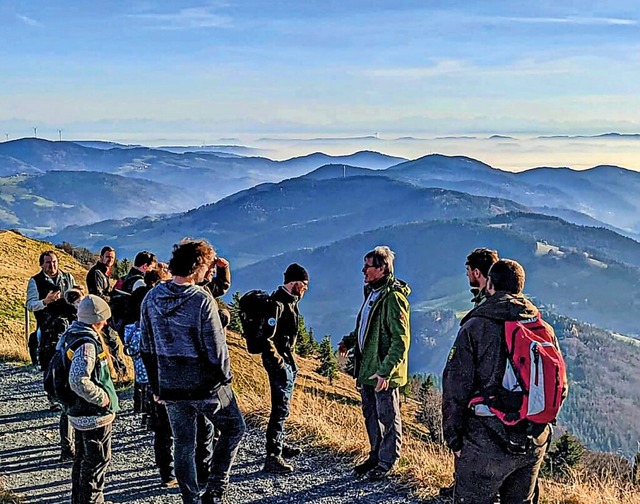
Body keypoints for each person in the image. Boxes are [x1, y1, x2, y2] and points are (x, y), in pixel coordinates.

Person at [442, 259, 560, 504]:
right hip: (532, 439)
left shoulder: (476, 326)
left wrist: (453, 439)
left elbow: (455, 385)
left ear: (490, 285)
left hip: (485, 440)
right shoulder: (541, 328)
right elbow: (557, 384)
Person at [140, 239, 245, 504]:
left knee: (183, 443)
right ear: (198, 266)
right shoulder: (201, 300)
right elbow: (216, 349)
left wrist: (156, 387)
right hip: (204, 386)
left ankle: (190, 498)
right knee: (234, 429)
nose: (210, 271)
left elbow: (146, 347)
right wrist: (224, 382)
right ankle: (215, 489)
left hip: (170, 385)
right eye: (208, 265)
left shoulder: (151, 297)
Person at [338, 246, 411, 481]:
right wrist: (350, 341)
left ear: (381, 268)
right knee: (370, 414)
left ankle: (387, 461)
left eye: (367, 266)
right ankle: (375, 455)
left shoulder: (393, 298)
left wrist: (385, 372)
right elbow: (366, 326)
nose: (363, 270)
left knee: (388, 417)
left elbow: (400, 341)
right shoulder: (371, 292)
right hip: (367, 368)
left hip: (382, 372)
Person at [440, 247, 499, 498]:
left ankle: (469, 489)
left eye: (468, 272)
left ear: (477, 272)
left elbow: (460, 373)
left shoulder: (486, 311)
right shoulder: (506, 307)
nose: (467, 278)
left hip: (482, 394)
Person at [65, 295, 120, 504]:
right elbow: (78, 380)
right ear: (95, 319)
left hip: (78, 412)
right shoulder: (87, 344)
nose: (105, 323)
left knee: (82, 460)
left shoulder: (71, 333)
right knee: (96, 463)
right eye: (103, 318)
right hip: (93, 415)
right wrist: (103, 398)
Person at [26, 250, 78, 458]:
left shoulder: (67, 277)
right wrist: (46, 302)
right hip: (47, 326)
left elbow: (74, 295)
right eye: (48, 263)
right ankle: (53, 395)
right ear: (42, 264)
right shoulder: (35, 281)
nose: (52, 266)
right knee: (49, 361)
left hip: (68, 324)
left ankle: (65, 390)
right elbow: (30, 305)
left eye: (54, 262)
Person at [260, 263, 309, 474]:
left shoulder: (290, 301)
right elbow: (266, 337)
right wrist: (278, 361)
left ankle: (279, 444)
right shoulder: (278, 304)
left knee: (284, 406)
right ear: (295, 282)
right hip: (279, 362)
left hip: (287, 359)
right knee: (279, 408)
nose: (305, 289)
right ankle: (273, 456)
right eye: (304, 284)